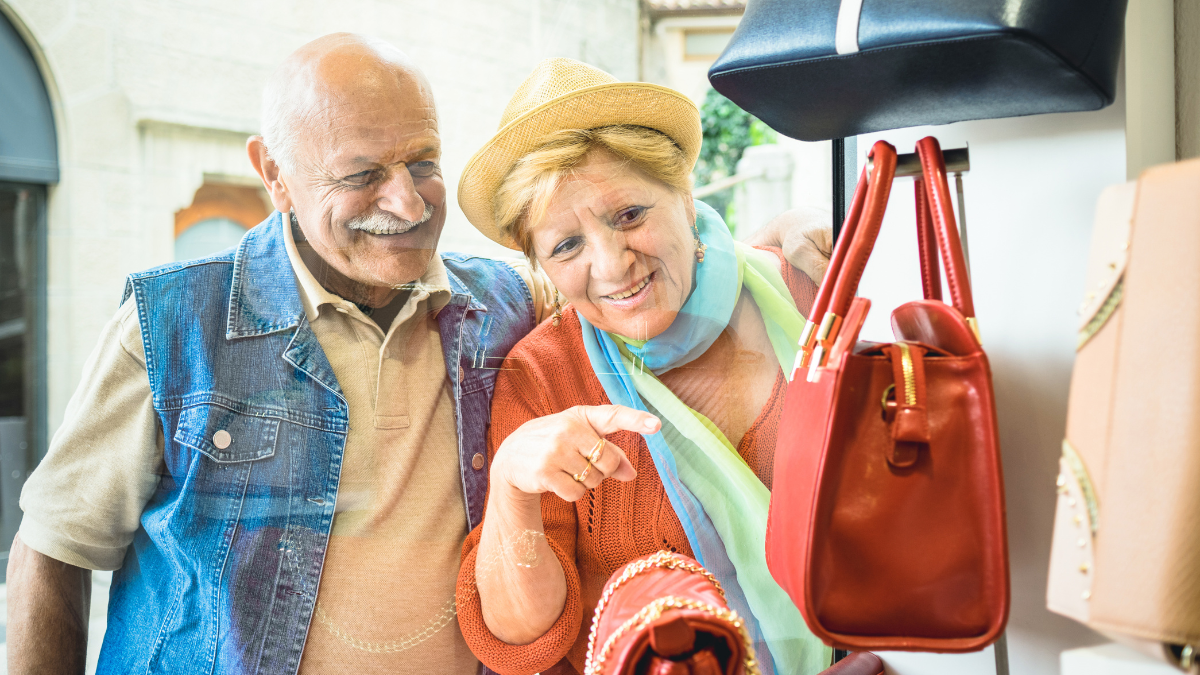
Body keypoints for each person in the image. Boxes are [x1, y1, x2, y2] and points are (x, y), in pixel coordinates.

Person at [6, 36, 830, 675]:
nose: (404, 203)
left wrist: (768, 250)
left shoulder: (502, 305)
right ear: (275, 174)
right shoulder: (172, 323)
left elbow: (615, 276)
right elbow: (54, 548)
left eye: (422, 163)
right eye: (362, 175)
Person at [455, 58, 833, 675]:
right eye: (566, 245)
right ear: (542, 267)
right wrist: (512, 488)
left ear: (684, 196)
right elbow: (524, 641)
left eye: (629, 215)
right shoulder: (543, 375)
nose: (611, 265)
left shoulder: (803, 283)